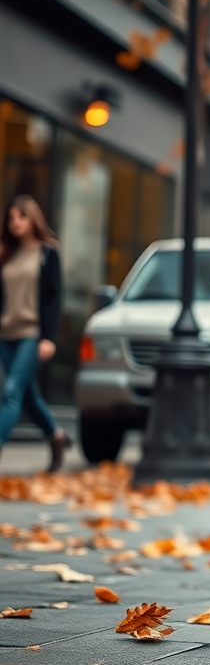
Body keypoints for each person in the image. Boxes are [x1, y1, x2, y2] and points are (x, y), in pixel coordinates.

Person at [0, 195, 71, 472]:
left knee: (11, 390)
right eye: (11, 218)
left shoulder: (48, 252)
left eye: (21, 216)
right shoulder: (7, 254)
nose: (15, 222)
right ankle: (57, 436)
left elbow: (55, 298)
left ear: (33, 218)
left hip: (32, 332)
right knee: (28, 395)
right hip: (6, 334)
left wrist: (48, 337)